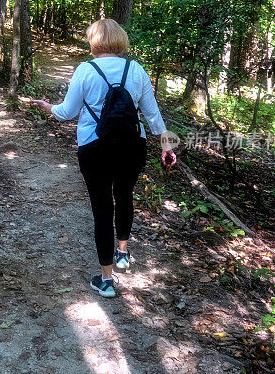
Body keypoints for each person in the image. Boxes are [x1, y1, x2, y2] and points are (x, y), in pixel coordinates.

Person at [33, 18, 176, 298]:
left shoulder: (85, 70)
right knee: (125, 196)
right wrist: (167, 147)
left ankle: (107, 280)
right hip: (133, 146)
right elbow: (153, 115)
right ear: (121, 40)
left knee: (101, 209)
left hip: (94, 147)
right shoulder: (135, 69)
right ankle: (122, 253)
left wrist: (49, 107)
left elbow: (67, 112)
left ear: (93, 41)